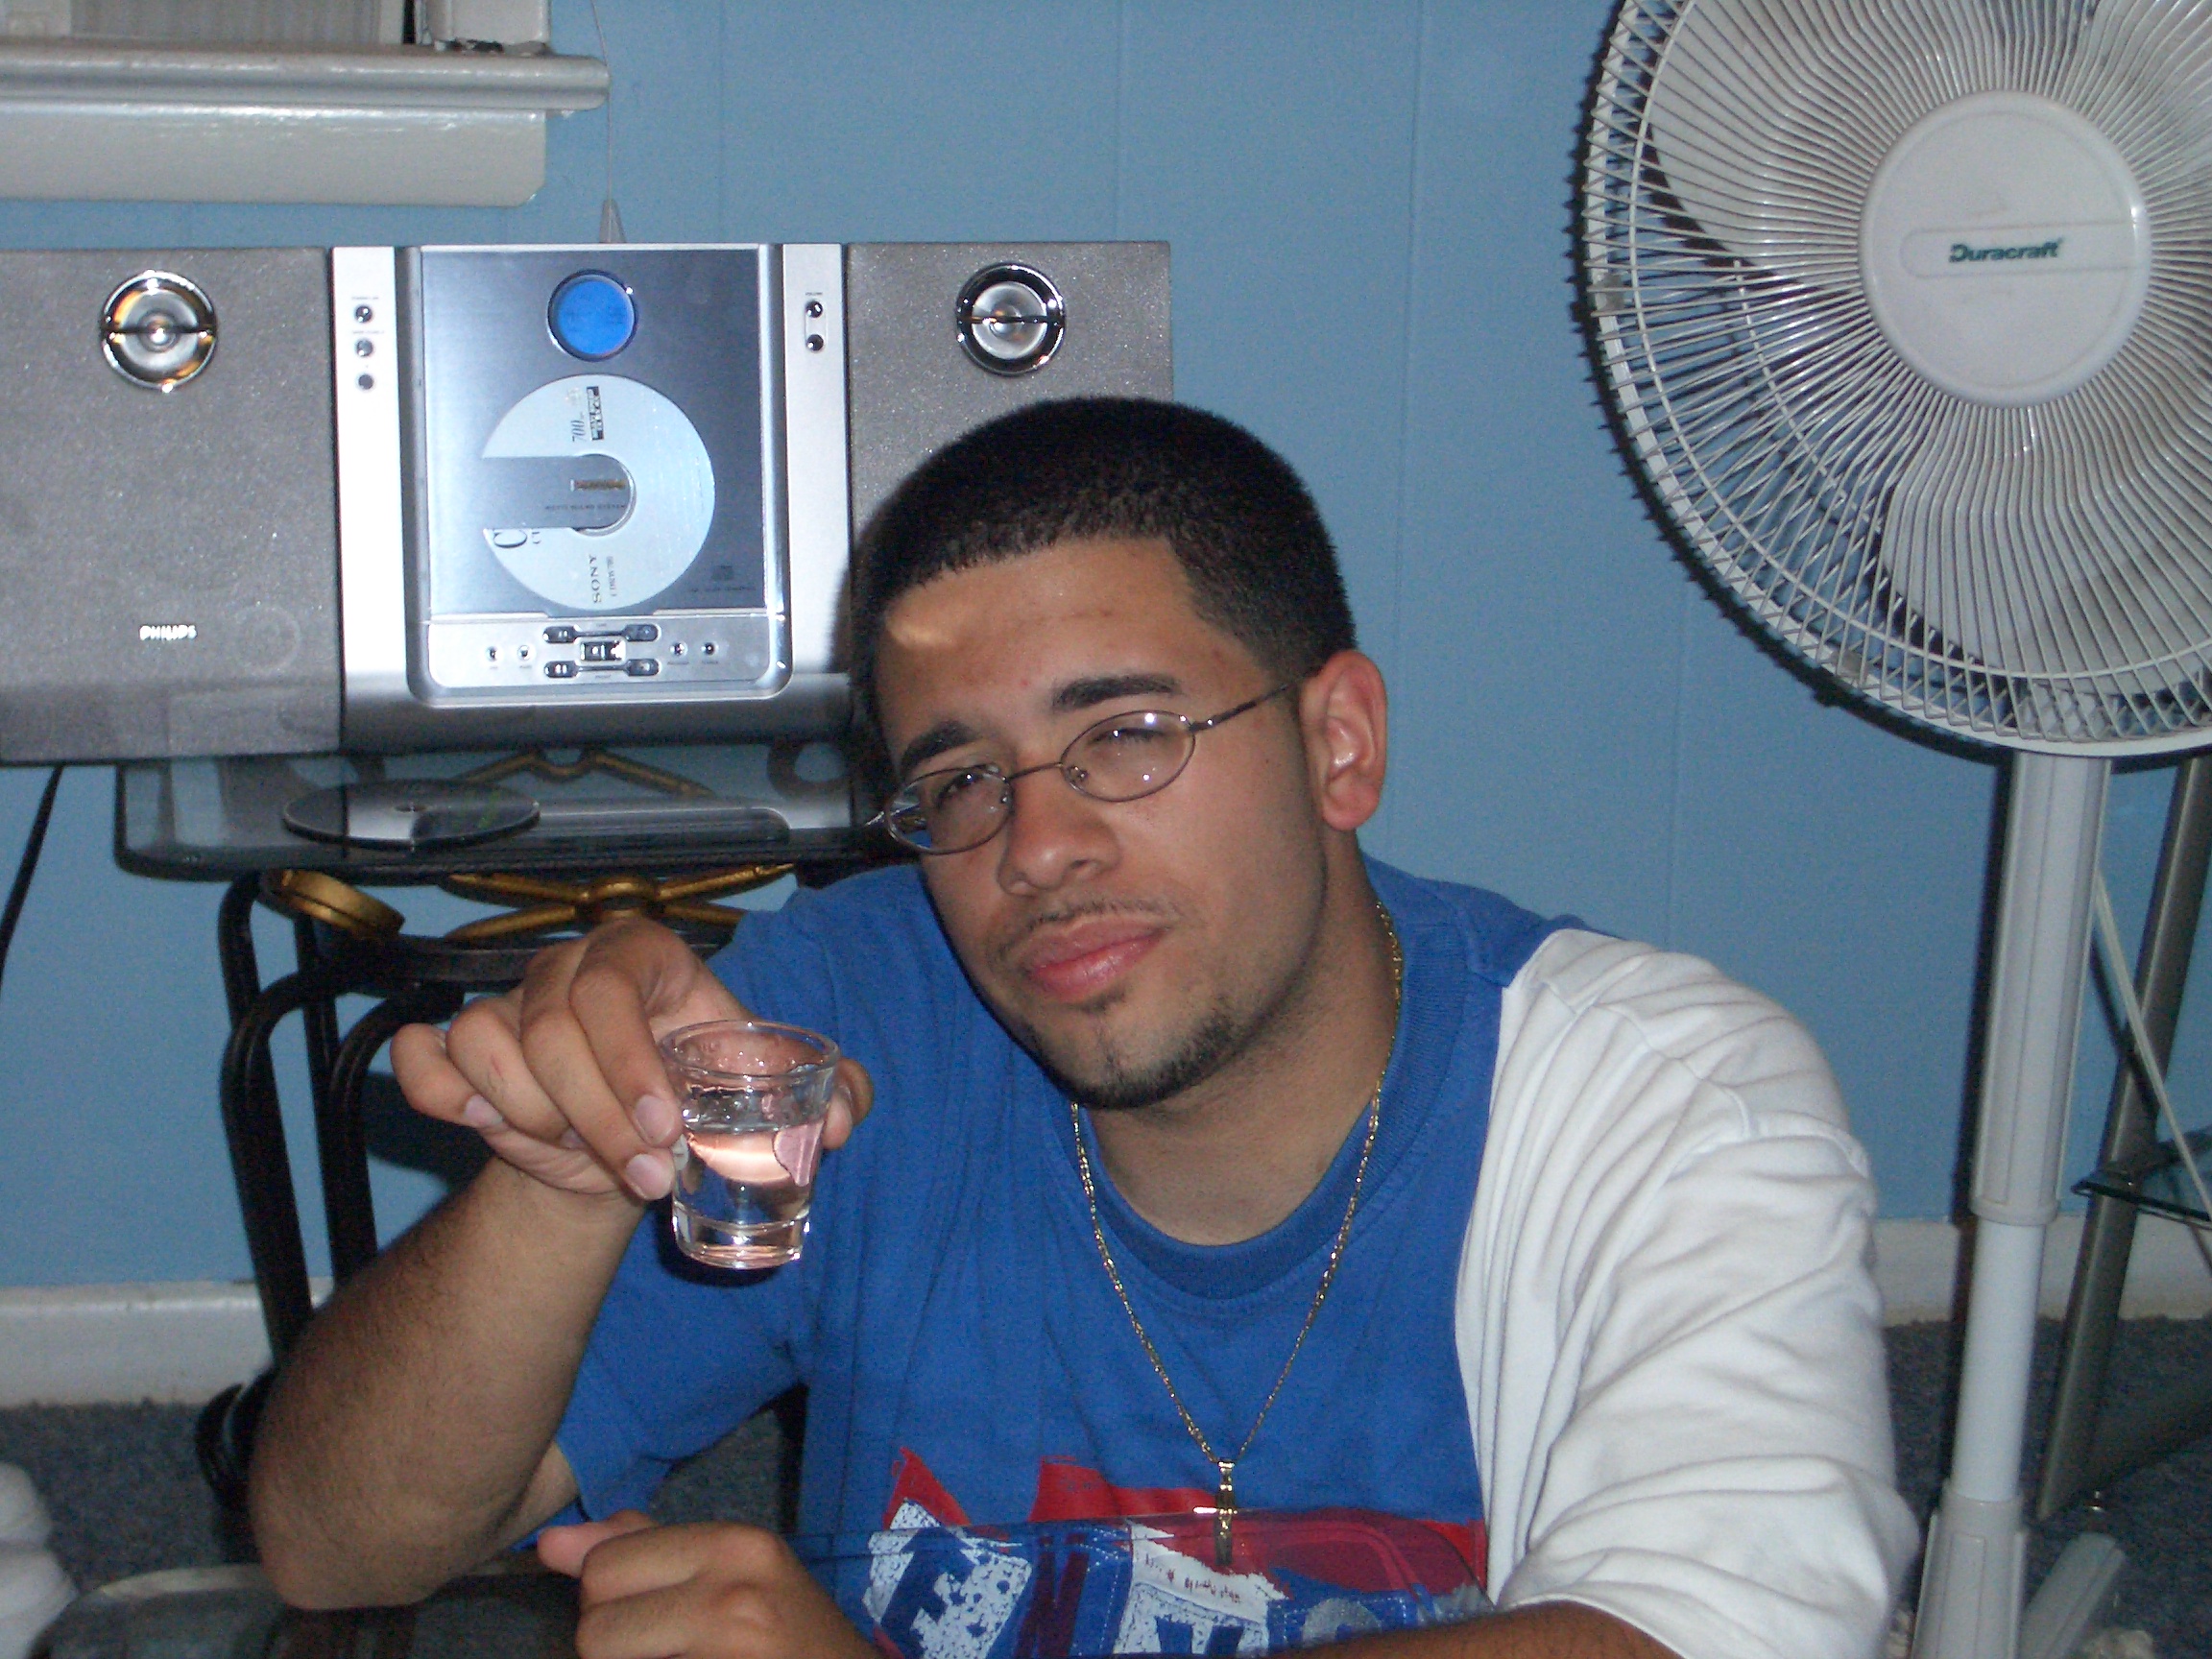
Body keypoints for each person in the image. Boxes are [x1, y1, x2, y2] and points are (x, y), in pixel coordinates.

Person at [249, 398, 1917, 1659]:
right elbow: (336, 1547)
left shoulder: (1661, 1106)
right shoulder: (850, 1030)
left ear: (1339, 745)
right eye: (962, 778)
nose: (1035, 848)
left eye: (1126, 734)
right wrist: (568, 1176)